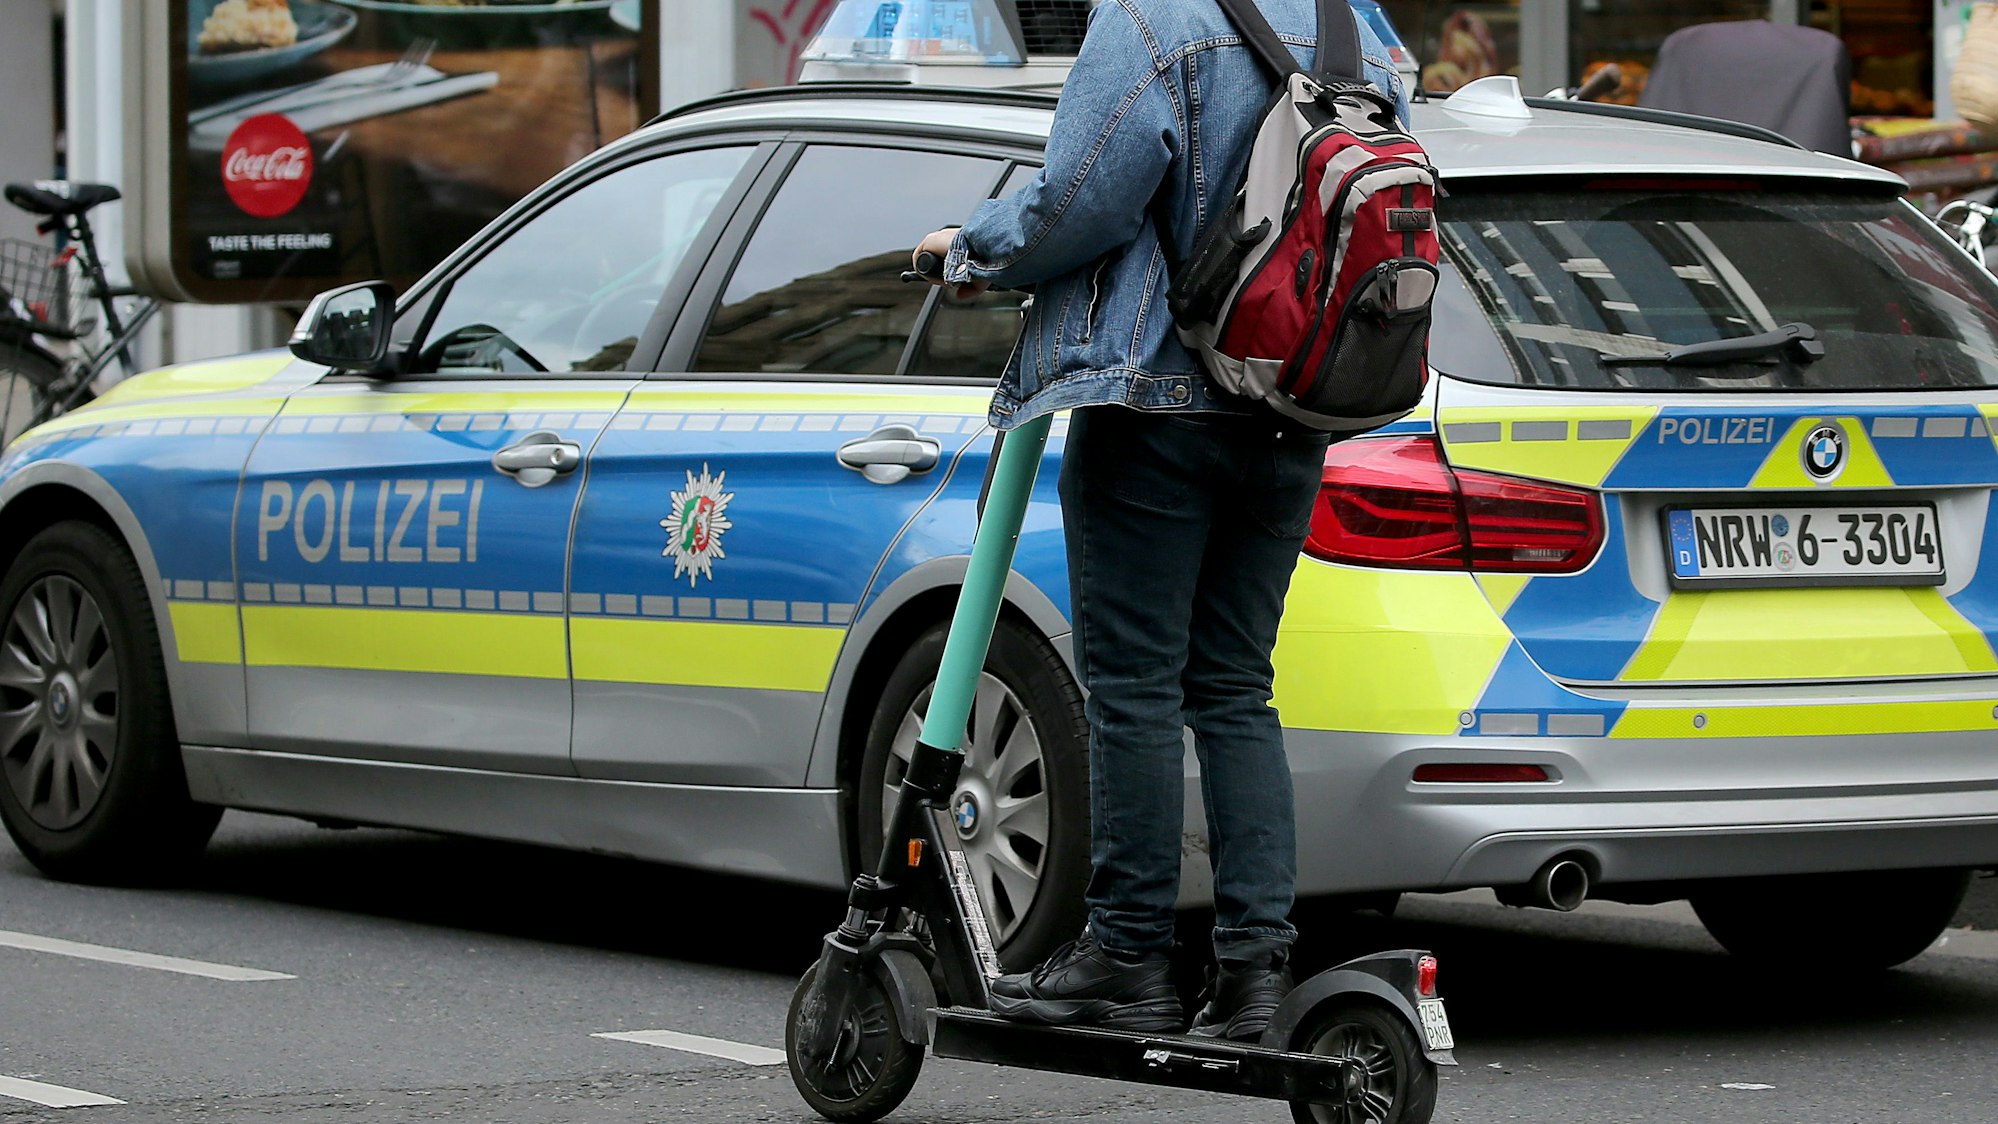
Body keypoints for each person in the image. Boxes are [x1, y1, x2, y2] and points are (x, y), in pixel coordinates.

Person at [912, 0, 1410, 1040]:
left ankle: (1129, 954)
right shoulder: (1353, 22)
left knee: (1134, 686)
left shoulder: (1153, 21)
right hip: (1296, 398)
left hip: (1159, 398)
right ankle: (1255, 973)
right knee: (1234, 686)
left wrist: (969, 247)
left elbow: (1080, 204)